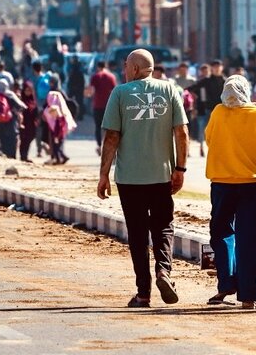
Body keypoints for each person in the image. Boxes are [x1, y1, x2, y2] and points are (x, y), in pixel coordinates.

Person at [97, 48, 188, 308]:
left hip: (130, 179)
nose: (124, 70)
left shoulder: (120, 93)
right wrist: (180, 169)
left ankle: (143, 293)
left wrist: (104, 175)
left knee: (137, 234)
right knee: (163, 227)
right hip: (162, 176)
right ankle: (164, 271)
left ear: (135, 69)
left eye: (126, 66)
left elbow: (112, 137)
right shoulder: (170, 90)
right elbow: (181, 132)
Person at [205, 73, 256, 309]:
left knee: (222, 233)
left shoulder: (218, 112)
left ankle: (226, 282)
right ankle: (249, 295)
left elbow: (209, 139)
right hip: (253, 186)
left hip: (222, 184)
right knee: (253, 240)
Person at [89, 60, 118, 152]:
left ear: (98, 67)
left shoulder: (95, 77)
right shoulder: (111, 77)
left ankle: (99, 145)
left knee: (98, 126)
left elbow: (92, 91)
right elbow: (114, 91)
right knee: (109, 127)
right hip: (109, 105)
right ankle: (109, 145)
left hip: (97, 105)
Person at [43, 90, 76, 164]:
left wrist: (56, 136)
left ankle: (58, 159)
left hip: (57, 134)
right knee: (57, 147)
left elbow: (58, 127)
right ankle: (63, 157)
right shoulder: (55, 111)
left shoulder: (59, 117)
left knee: (56, 147)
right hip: (57, 133)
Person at [18, 81, 40, 162]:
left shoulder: (33, 100)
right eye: (27, 90)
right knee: (23, 140)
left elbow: (36, 111)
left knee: (28, 140)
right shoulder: (21, 101)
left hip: (32, 125)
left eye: (30, 90)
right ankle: (23, 156)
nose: (28, 92)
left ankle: (25, 155)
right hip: (24, 124)